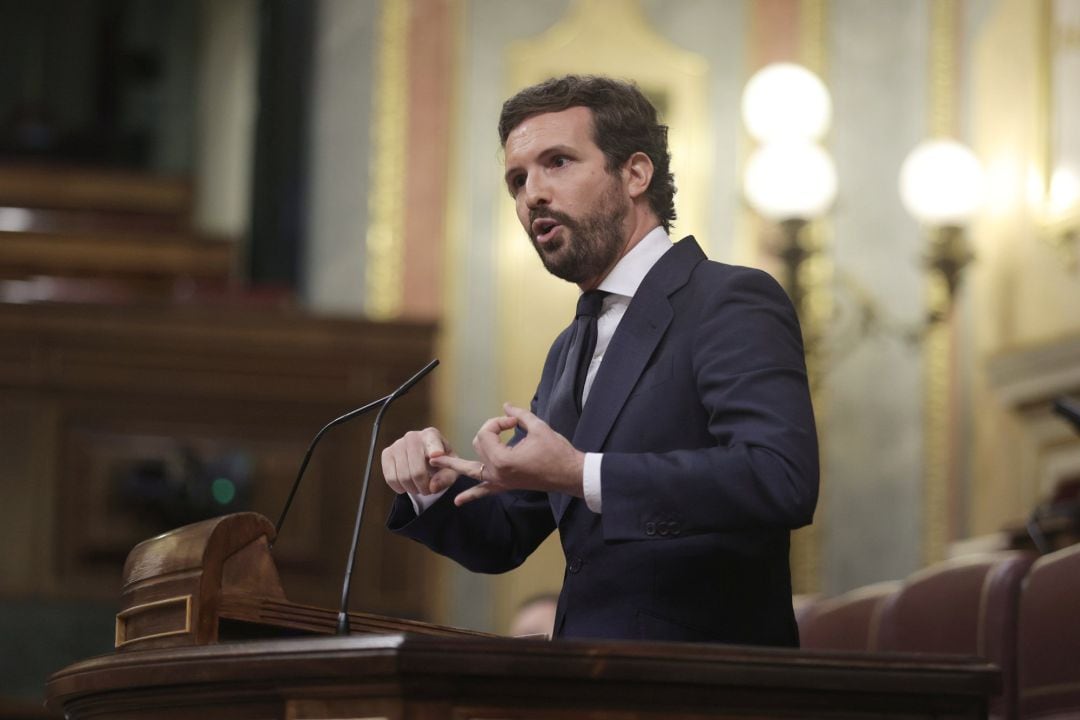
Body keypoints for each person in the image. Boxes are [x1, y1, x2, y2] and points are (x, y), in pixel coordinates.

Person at [381, 75, 818, 645]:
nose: (531, 194)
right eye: (517, 179)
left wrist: (581, 472)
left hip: (703, 687)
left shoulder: (727, 299)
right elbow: (505, 535)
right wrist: (431, 484)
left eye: (557, 162)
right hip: (588, 682)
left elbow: (779, 478)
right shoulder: (570, 347)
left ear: (635, 174)